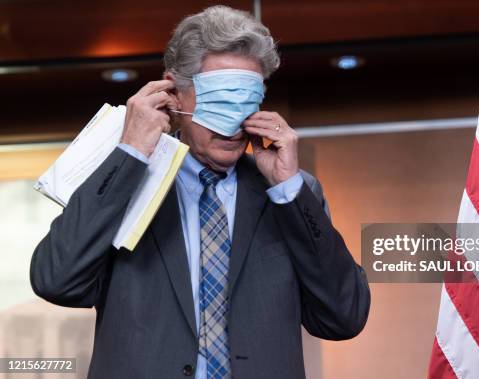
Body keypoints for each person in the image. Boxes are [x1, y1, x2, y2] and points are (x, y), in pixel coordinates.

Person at [30, 5, 370, 379]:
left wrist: (289, 190)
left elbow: (344, 317)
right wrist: (130, 154)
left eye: (246, 101)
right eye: (221, 101)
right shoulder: (122, 179)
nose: (233, 124)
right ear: (174, 94)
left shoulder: (293, 192)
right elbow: (56, 281)